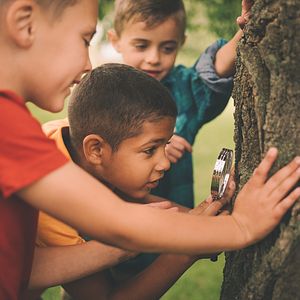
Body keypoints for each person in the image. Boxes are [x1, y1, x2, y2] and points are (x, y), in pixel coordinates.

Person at [0, 0, 299, 299]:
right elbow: (117, 222)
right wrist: (240, 227)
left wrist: (197, 223)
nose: (89, 65)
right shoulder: (7, 127)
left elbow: (30, 267)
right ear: (25, 23)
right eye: (85, 39)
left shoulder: (54, 133)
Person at [28, 63, 235, 299]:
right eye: (150, 150)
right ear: (95, 150)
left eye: (165, 145)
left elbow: (123, 196)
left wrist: (205, 221)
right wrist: (184, 252)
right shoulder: (50, 208)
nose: (165, 163)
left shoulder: (76, 140)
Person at [107, 0, 252, 208]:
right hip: (115, 224)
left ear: (181, 42)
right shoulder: (104, 94)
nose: (154, 58)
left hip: (176, 225)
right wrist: (156, 145)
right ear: (115, 40)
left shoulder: (182, 89)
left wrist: (247, 30)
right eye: (141, 46)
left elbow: (215, 70)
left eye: (167, 48)